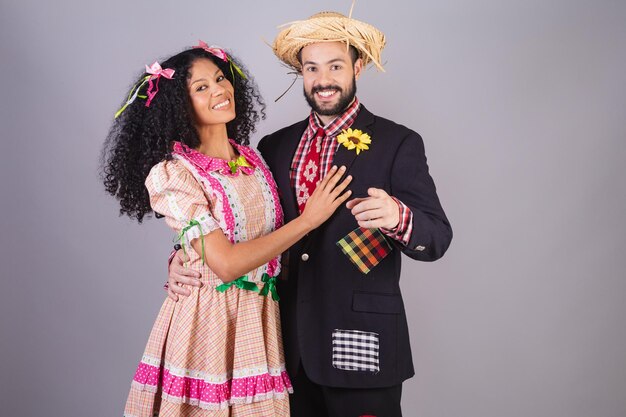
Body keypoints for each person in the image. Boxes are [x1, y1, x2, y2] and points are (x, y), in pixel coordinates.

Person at [169, 11, 453, 417]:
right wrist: (183, 257)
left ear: (357, 67)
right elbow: (238, 223)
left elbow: (438, 238)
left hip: (362, 344)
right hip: (282, 346)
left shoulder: (397, 142)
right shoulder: (272, 147)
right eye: (312, 68)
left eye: (335, 66)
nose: (323, 80)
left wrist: (397, 216)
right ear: (301, 73)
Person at [101, 43, 352, 417]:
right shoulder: (174, 173)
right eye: (201, 87)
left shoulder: (253, 159)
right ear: (178, 106)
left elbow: (240, 238)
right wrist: (308, 220)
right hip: (209, 322)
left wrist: (181, 254)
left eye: (220, 78)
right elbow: (226, 264)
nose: (219, 90)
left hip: (259, 319)